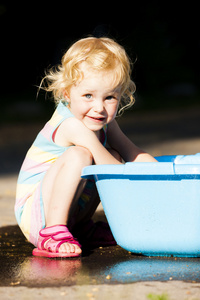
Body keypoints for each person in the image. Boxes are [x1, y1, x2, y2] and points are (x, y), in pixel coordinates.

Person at [15, 37, 157, 258]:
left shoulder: (105, 122)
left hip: (62, 209)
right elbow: (111, 171)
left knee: (114, 153)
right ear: (67, 93)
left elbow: (133, 153)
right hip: (35, 216)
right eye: (88, 96)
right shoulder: (71, 125)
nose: (99, 108)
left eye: (109, 97)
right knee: (80, 155)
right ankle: (53, 232)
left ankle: (81, 228)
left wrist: (164, 177)